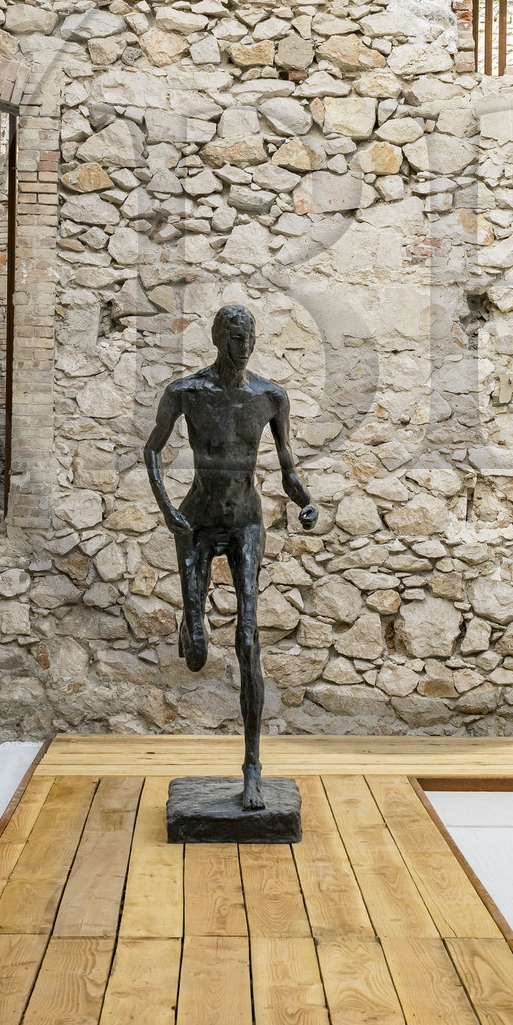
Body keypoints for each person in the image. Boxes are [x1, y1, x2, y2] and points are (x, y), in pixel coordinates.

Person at [143, 304, 318, 809]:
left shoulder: (270, 397)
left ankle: (252, 768)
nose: (245, 347)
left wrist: (305, 503)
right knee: (196, 658)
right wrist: (166, 509)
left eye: (250, 337)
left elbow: (286, 469)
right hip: (196, 521)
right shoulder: (186, 393)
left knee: (247, 637)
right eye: (236, 338)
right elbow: (151, 450)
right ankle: (190, 626)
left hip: (245, 522)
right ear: (219, 338)